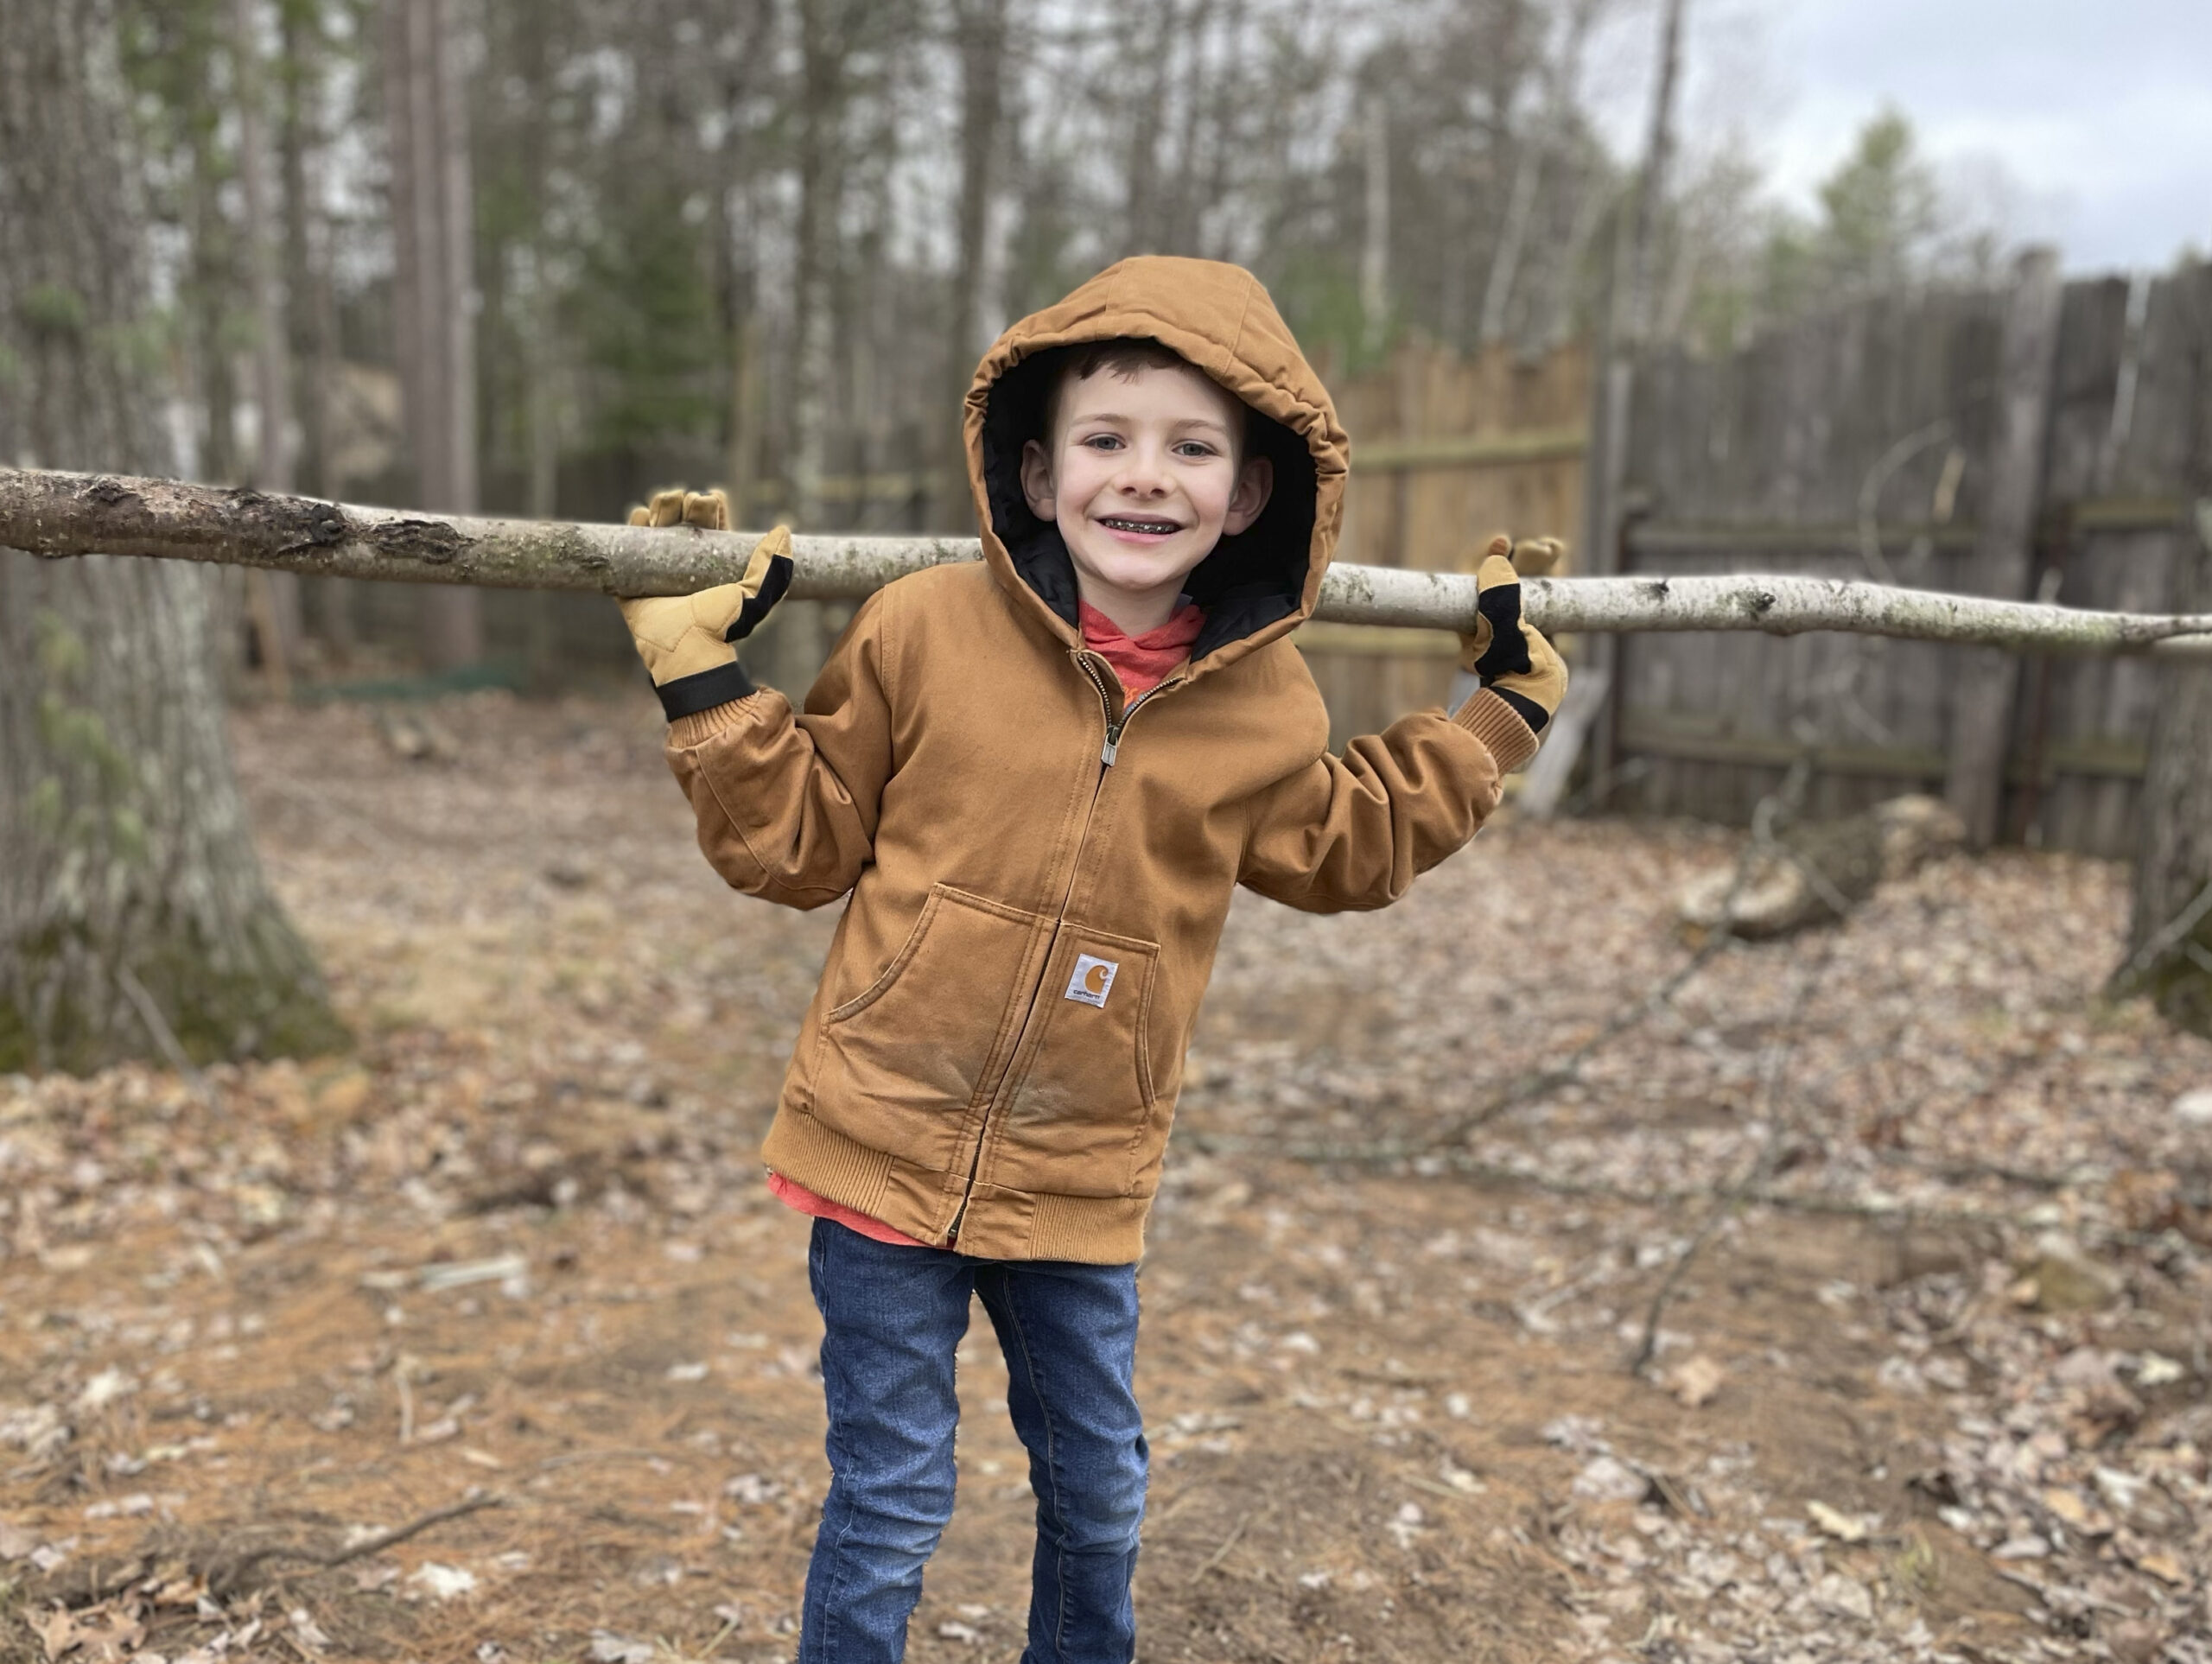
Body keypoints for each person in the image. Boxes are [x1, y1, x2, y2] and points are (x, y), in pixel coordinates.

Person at [614, 255, 1567, 1664]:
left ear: (1250, 494)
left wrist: (1497, 718)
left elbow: (1347, 843)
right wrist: (705, 680)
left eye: (1193, 448)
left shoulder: (1263, 701)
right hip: (880, 1135)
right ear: (1041, 466)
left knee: (1100, 1495)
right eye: (1108, 440)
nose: (1145, 477)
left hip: (1080, 1166)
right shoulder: (924, 626)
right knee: (889, 1495)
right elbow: (799, 844)